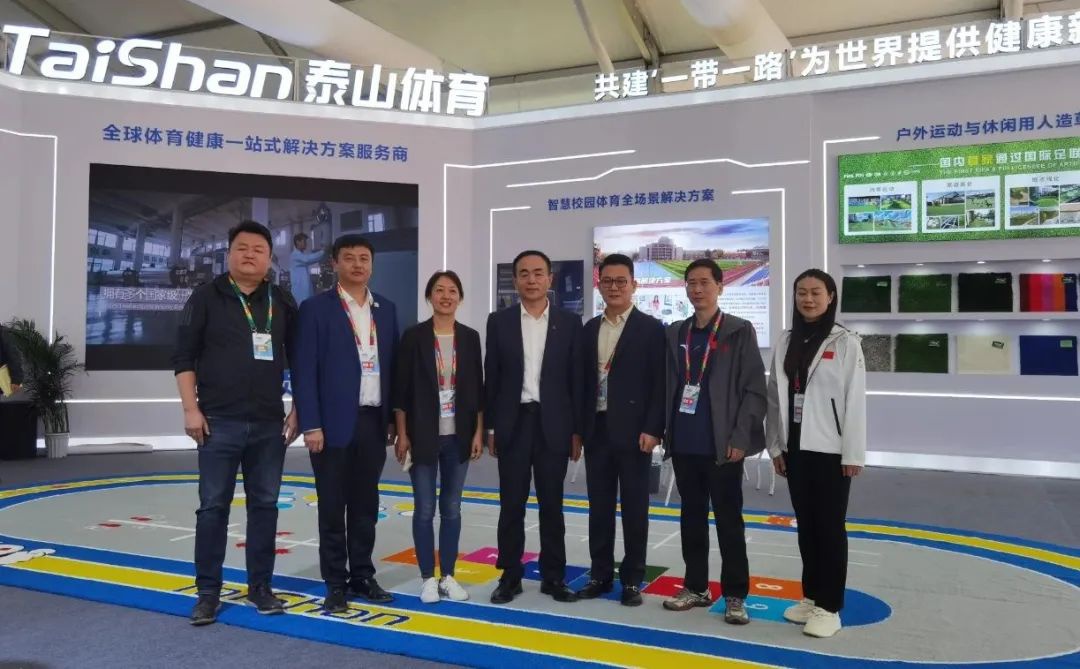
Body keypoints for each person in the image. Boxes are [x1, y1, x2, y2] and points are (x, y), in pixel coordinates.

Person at [171, 220, 299, 626]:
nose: (249, 255)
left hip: (268, 425)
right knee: (212, 508)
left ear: (269, 258)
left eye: (258, 250)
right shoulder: (206, 297)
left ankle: (260, 587)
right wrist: (190, 409)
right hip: (218, 422)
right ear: (228, 253)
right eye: (242, 247)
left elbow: (300, 359)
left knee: (265, 507)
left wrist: (299, 408)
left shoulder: (282, 300)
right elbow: (184, 357)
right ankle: (208, 593)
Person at [293, 234, 399, 613]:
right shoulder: (315, 309)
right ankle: (335, 582)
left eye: (364, 258)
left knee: (366, 505)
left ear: (372, 264)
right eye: (349, 258)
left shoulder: (386, 309)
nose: (357, 264)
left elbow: (393, 367)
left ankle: (363, 575)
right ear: (334, 263)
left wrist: (393, 419)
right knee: (332, 506)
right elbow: (304, 370)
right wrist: (311, 424)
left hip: (373, 422)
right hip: (331, 425)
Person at [661, 259, 766, 624]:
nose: (697, 289)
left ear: (720, 286)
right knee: (691, 518)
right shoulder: (676, 332)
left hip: (723, 447)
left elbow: (754, 390)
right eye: (691, 282)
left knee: (728, 522)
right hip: (685, 443)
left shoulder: (738, 330)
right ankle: (696, 587)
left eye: (704, 282)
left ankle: (735, 595)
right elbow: (668, 386)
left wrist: (741, 437)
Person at [766, 269, 866, 639]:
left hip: (830, 451)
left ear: (831, 297)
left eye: (816, 292)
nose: (808, 299)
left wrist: (852, 453)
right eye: (801, 293)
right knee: (806, 527)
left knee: (829, 528)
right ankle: (811, 597)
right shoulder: (786, 339)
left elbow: (855, 400)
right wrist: (775, 445)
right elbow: (775, 396)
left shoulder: (845, 342)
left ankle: (830, 607)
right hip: (795, 448)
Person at [485, 250, 584, 604]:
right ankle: (510, 576)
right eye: (524, 273)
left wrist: (576, 431)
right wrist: (491, 428)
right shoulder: (499, 321)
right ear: (515, 280)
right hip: (514, 423)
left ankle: (553, 577)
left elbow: (576, 381)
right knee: (511, 504)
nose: (531, 279)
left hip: (554, 426)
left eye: (538, 273)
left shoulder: (570, 323)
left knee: (552, 505)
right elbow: (492, 377)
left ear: (550, 279)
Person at [575, 254, 665, 607]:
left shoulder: (651, 328)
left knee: (634, 509)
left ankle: (631, 579)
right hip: (596, 430)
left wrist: (653, 428)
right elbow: (581, 384)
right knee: (599, 508)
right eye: (608, 281)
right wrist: (578, 430)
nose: (614, 287)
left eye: (621, 281)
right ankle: (600, 575)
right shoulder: (589, 329)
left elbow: (659, 384)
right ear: (599, 285)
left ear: (633, 285)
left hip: (634, 433)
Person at [393, 270, 484, 604]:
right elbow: (401, 391)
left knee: (452, 508)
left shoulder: (470, 338)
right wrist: (402, 434)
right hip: (422, 435)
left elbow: (477, 390)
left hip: (458, 436)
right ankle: (427, 578)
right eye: (439, 290)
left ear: (460, 297)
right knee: (424, 509)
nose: (446, 296)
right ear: (429, 296)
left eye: (452, 291)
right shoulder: (414, 337)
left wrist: (477, 432)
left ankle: (448, 575)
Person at [289, 232, 326, 304]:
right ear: (298, 242)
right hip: (300, 290)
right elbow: (307, 259)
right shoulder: (295, 255)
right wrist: (322, 252)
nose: (306, 244)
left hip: (304, 290)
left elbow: (310, 260)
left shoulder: (300, 255)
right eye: (304, 241)